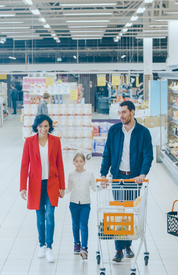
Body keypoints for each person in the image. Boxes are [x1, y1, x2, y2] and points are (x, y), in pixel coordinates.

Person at [100, 100, 153, 262]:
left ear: (132, 112)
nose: (121, 115)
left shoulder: (143, 132)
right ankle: (118, 249)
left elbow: (148, 155)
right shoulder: (114, 131)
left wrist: (143, 173)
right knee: (119, 211)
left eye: (124, 112)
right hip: (117, 177)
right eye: (119, 112)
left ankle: (127, 244)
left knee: (130, 212)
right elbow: (107, 153)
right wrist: (103, 174)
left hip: (134, 179)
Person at [20, 114, 65, 263]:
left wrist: (62, 186)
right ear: (36, 127)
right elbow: (24, 165)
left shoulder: (56, 141)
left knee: (49, 216)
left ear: (49, 126)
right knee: (40, 217)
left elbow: (60, 164)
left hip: (52, 183)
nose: (43, 129)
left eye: (46, 126)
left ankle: (50, 247)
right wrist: (22, 187)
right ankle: (42, 245)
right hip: (35, 185)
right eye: (40, 126)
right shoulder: (29, 142)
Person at [65, 152, 96, 260]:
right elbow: (69, 188)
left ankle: (84, 247)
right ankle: (76, 243)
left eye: (81, 161)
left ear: (84, 162)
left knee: (84, 225)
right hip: (73, 203)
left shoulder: (89, 174)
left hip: (85, 204)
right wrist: (61, 192)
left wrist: (103, 187)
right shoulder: (71, 175)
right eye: (77, 161)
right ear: (73, 162)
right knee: (75, 224)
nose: (79, 163)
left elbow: (94, 187)